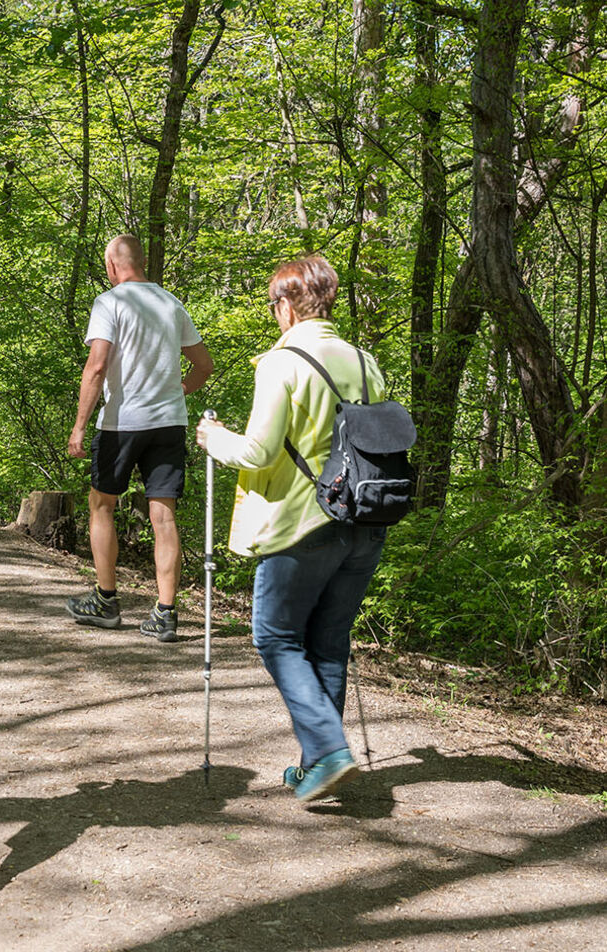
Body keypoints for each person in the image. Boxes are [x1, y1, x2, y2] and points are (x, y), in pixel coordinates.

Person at [195, 255, 385, 801]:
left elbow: (258, 448)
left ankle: (327, 751)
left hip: (303, 520)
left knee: (275, 635)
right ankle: (319, 766)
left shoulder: (282, 362)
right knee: (328, 640)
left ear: (285, 304)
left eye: (274, 303)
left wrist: (215, 439)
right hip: (365, 516)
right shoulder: (365, 361)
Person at [66, 235, 212, 640]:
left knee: (102, 504)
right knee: (163, 514)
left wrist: (80, 426)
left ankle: (106, 600)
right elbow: (204, 365)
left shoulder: (110, 302)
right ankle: (165, 613)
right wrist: (176, 391)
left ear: (113, 265)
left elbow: (96, 367)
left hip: (121, 422)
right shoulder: (170, 303)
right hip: (169, 422)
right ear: (142, 263)